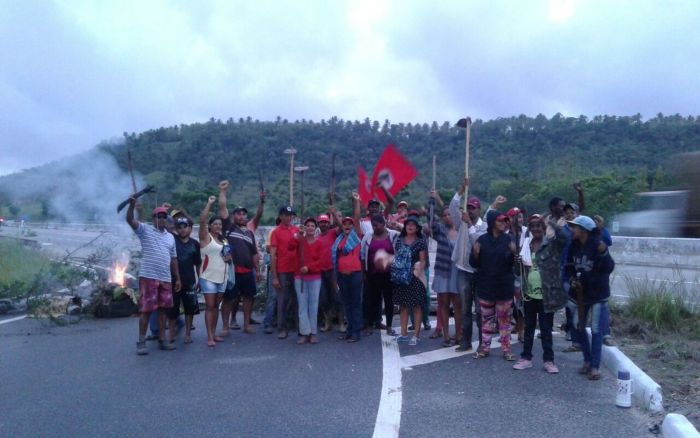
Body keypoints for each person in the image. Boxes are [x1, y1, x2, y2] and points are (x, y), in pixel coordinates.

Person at [126, 201, 181, 355]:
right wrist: (131, 206)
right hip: (149, 276)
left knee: (164, 311)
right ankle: (141, 341)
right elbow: (130, 220)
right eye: (158, 216)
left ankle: (162, 339)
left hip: (165, 278)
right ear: (153, 218)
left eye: (164, 217)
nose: (162, 219)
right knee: (146, 311)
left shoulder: (170, 237)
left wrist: (177, 278)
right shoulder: (145, 230)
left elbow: (174, 259)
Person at [566, 215, 615, 381]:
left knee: (596, 330)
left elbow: (609, 267)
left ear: (584, 230)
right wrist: (572, 279)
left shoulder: (598, 245)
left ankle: (594, 366)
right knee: (577, 326)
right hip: (579, 294)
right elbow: (569, 266)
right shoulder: (573, 245)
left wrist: (604, 253)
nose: (572, 230)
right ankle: (587, 360)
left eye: (575, 227)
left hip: (597, 294)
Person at [513, 215, 559, 373]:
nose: (535, 229)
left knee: (546, 328)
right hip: (529, 294)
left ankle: (549, 361)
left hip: (546, 295)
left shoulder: (550, 245)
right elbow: (519, 270)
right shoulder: (526, 244)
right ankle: (526, 358)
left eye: (538, 226)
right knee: (529, 326)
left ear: (543, 228)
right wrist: (518, 262)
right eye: (532, 226)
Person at [470, 210, 518, 360]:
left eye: (505, 221)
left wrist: (514, 254)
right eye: (500, 221)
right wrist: (476, 254)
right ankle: (485, 348)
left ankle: (506, 349)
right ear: (491, 223)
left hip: (504, 287)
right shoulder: (481, 240)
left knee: (504, 321)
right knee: (487, 320)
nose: (503, 223)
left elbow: (514, 265)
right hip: (486, 287)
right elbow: (473, 263)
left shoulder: (509, 239)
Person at [218, 180, 266, 331]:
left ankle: (246, 325)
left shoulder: (249, 233)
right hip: (232, 270)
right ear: (233, 216)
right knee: (228, 299)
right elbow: (222, 207)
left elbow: (253, 254)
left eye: (244, 213)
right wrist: (223, 192)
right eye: (239, 213)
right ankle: (225, 327)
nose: (242, 215)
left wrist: (257, 270)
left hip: (247, 271)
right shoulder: (229, 227)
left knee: (249, 298)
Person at [449, 178, 488, 352]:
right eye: (469, 208)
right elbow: (452, 208)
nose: (470, 211)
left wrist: (470, 223)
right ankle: (466, 341)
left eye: (473, 208)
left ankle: (482, 342)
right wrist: (461, 191)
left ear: (479, 210)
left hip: (479, 273)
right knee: (465, 308)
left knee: (480, 310)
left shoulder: (484, 227)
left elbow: (477, 244)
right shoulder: (460, 223)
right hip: (463, 270)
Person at [426, 193, 462, 347]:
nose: (447, 217)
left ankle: (459, 334)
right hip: (443, 272)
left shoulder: (462, 230)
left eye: (449, 214)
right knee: (444, 305)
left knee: (458, 306)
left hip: (458, 273)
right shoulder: (440, 230)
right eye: (444, 215)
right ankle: (446, 335)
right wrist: (432, 201)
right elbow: (430, 219)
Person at [198, 196, 231, 348]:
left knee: (216, 306)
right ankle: (209, 336)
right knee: (210, 306)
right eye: (215, 224)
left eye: (220, 224)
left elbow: (227, 257)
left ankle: (214, 333)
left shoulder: (224, 241)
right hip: (208, 277)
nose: (218, 226)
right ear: (210, 227)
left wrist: (228, 258)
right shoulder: (206, 237)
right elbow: (202, 220)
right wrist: (209, 203)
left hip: (222, 277)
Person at [391, 215, 428, 346]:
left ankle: (416, 335)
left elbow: (423, 260)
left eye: (413, 224)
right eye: (408, 224)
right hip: (401, 278)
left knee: (417, 306)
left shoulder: (420, 241)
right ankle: (403, 334)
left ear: (417, 228)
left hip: (415, 277)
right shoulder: (399, 240)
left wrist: (416, 270)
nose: (410, 226)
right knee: (404, 306)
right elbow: (397, 257)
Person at [360, 214, 399, 335]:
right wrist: (364, 273)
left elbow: (399, 252)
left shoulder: (393, 235)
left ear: (383, 224)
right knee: (372, 300)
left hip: (389, 274)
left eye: (377, 225)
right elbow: (362, 255)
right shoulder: (367, 236)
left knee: (389, 300)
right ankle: (371, 325)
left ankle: (389, 326)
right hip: (372, 274)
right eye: (373, 225)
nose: (375, 228)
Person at [333, 193, 363, 343]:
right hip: (342, 276)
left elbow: (356, 217)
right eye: (344, 224)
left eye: (349, 224)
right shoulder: (339, 240)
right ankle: (350, 330)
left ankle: (356, 332)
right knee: (347, 304)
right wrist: (333, 210)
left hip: (355, 275)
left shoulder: (355, 236)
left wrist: (356, 201)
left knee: (355, 303)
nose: (346, 225)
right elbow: (336, 258)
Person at [167, 215, 201, 345]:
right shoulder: (172, 240)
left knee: (189, 309)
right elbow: (165, 226)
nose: (182, 230)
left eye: (185, 227)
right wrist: (166, 211)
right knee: (172, 309)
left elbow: (198, 263)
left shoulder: (195, 244)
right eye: (179, 227)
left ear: (190, 228)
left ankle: (187, 333)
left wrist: (200, 280)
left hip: (190, 281)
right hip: (173, 281)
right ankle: (170, 333)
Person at [289, 217, 324, 344]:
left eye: (312, 226)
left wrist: (308, 268)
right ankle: (304, 332)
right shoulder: (300, 240)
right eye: (307, 225)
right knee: (302, 305)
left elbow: (321, 261)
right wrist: (298, 234)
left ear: (315, 229)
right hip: (300, 277)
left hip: (314, 278)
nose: (310, 227)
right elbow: (290, 247)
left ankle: (313, 332)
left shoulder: (319, 242)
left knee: (313, 305)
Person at [269, 205, 299, 339]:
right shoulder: (276, 232)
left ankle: (299, 327)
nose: (288, 217)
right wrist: (274, 277)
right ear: (280, 216)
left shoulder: (296, 230)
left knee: (297, 300)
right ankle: (282, 328)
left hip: (296, 271)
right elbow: (273, 255)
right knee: (282, 301)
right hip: (282, 271)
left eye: (290, 215)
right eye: (286, 215)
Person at [317, 212, 344, 333]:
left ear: (329, 224)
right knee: (324, 299)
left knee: (337, 297)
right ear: (318, 224)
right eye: (321, 222)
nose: (323, 224)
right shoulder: (316, 238)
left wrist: (335, 213)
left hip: (333, 271)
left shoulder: (333, 233)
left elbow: (342, 228)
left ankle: (341, 323)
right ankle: (328, 323)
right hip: (320, 272)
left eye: (325, 222)